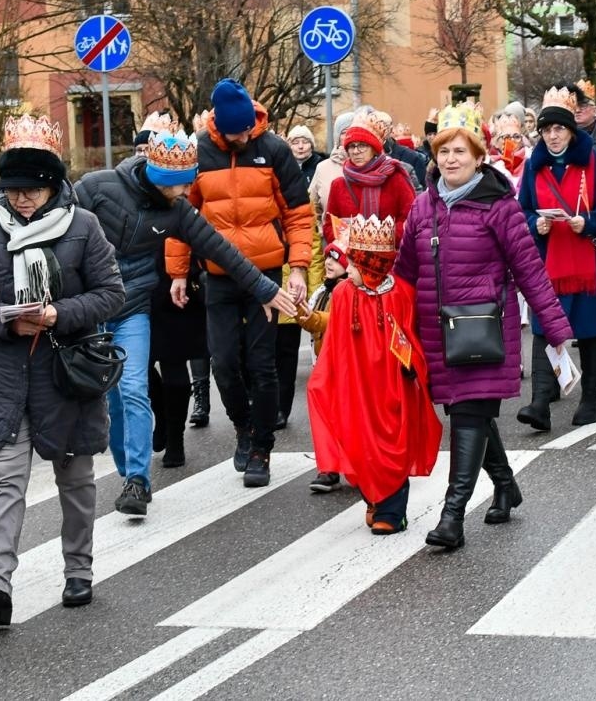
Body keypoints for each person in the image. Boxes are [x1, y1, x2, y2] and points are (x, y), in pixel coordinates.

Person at [0, 114, 125, 623]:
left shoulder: (83, 226)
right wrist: (1, 318)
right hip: (8, 374)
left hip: (65, 374)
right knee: (4, 481)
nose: (21, 199)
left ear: (53, 186)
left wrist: (57, 314)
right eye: (13, 190)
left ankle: (78, 570)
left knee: (75, 479)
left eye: (31, 190)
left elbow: (111, 294)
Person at [74, 131, 295, 516]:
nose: (185, 191)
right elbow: (57, 225)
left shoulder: (177, 211)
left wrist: (264, 288)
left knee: (134, 388)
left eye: (188, 182)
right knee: (110, 396)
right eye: (178, 184)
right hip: (91, 307)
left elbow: (221, 249)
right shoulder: (96, 187)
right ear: (159, 178)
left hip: (133, 308)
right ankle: (127, 467)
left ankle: (137, 480)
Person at [394, 112, 574, 551]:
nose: (451, 159)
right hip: (436, 332)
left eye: (460, 151)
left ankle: (452, 517)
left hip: (483, 330)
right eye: (444, 151)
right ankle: (506, 485)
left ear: (479, 158)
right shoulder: (423, 206)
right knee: (466, 413)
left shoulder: (499, 207)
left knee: (469, 415)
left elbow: (530, 271)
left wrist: (555, 327)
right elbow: (405, 273)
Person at [165, 78, 312, 488]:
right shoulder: (198, 151)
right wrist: (178, 272)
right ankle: (243, 427)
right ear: (219, 127)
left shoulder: (274, 149)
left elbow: (298, 213)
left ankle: (262, 447)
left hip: (266, 276)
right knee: (224, 363)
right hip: (218, 276)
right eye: (237, 133)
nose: (245, 137)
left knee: (262, 364)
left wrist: (298, 267)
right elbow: (179, 216)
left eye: (249, 129)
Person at [301, 215, 444, 534]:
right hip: (356, 385)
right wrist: (328, 379)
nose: (348, 269)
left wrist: (413, 365)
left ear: (371, 266)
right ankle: (374, 499)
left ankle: (392, 512)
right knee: (359, 442)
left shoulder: (401, 293)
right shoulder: (343, 294)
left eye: (354, 264)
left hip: (393, 386)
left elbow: (412, 335)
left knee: (394, 442)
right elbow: (334, 343)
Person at [515, 87, 596, 427]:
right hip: (548, 261)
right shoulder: (533, 166)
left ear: (571, 131)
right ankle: (539, 403)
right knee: (544, 327)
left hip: (588, 262)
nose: (553, 136)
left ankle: (591, 400)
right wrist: (536, 224)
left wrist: (588, 221)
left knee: (591, 330)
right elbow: (522, 210)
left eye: (559, 129)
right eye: (546, 130)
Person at [298, 239, 349, 494]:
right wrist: (299, 310)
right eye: (327, 257)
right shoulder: (322, 291)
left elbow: (336, 319)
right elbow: (312, 321)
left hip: (347, 366)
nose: (328, 262)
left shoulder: (351, 291)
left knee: (348, 418)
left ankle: (362, 465)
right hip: (324, 364)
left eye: (336, 259)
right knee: (326, 416)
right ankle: (329, 468)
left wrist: (312, 317)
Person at [324, 116, 418, 245]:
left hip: (390, 254)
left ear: (374, 149)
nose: (356, 151)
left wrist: (378, 237)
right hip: (348, 255)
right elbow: (329, 225)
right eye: (351, 146)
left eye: (362, 145)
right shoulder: (339, 185)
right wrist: (349, 238)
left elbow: (411, 219)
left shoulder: (396, 179)